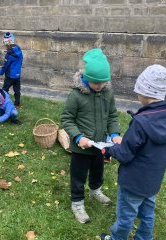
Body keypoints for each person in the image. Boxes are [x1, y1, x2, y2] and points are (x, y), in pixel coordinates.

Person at [100, 65, 166, 240]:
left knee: (126, 217)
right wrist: (158, 159)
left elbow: (124, 153)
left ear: (145, 91)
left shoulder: (140, 122)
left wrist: (109, 149)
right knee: (147, 214)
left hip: (132, 182)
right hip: (153, 181)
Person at [61, 48, 122, 224]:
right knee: (78, 176)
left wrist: (115, 134)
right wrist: (78, 137)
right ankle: (77, 203)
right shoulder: (76, 95)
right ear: (87, 79)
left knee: (98, 170)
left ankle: (95, 190)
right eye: (97, 83)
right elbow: (67, 119)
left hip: (99, 145)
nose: (100, 86)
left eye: (104, 83)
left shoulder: (107, 93)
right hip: (81, 147)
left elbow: (112, 116)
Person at [0, 32, 23, 108]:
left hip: (10, 76)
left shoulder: (9, 55)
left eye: (5, 45)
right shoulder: (19, 49)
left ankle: (4, 102)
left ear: (8, 45)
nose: (5, 47)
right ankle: (17, 104)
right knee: (17, 90)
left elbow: (5, 66)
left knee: (4, 89)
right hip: (17, 75)